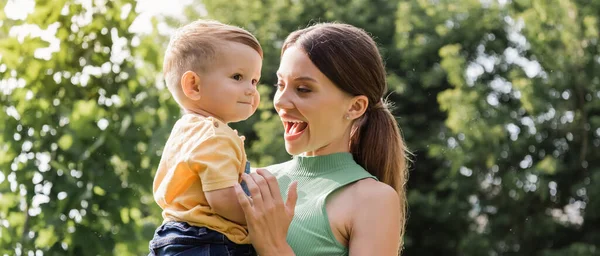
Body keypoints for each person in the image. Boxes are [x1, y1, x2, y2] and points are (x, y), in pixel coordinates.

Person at [233, 22, 410, 256]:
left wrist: (274, 247)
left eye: (303, 89)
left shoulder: (372, 199)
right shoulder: (255, 181)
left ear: (355, 106)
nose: (281, 102)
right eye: (281, 84)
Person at [149, 19, 262, 256]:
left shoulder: (185, 130)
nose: (251, 90)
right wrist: (262, 215)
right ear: (194, 86)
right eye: (237, 77)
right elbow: (222, 199)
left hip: (173, 235)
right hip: (209, 240)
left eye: (254, 81)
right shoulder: (215, 134)